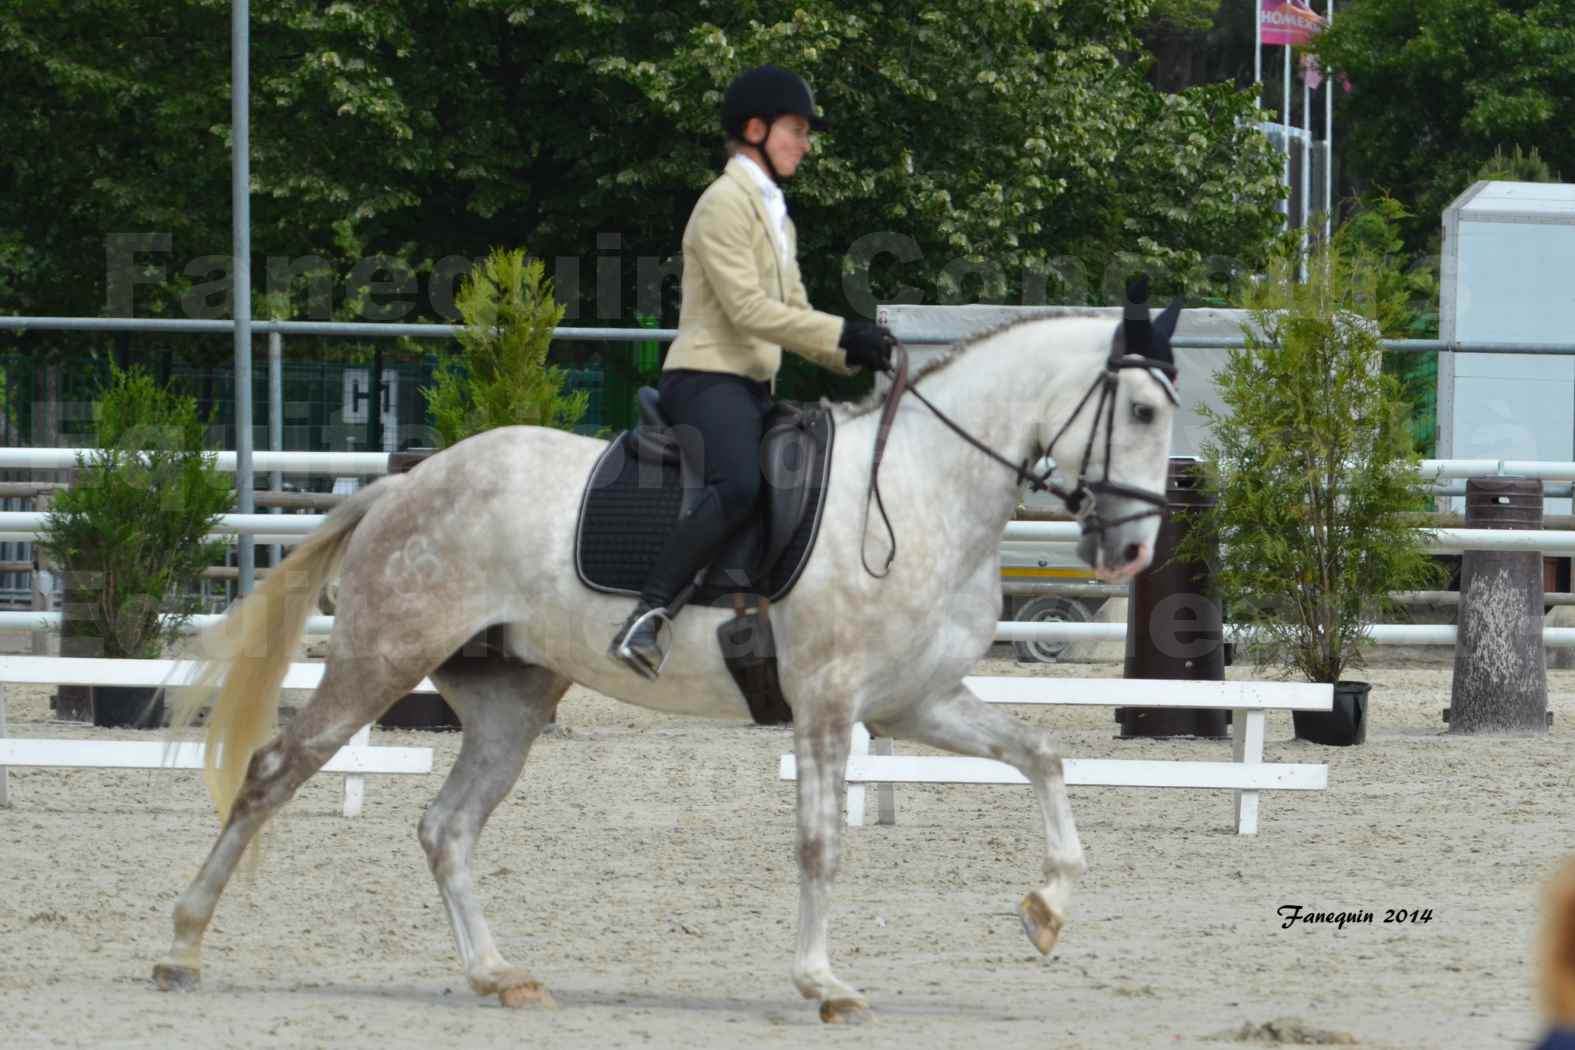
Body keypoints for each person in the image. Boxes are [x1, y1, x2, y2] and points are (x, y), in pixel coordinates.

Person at [609, 64, 894, 679]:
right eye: (796, 130)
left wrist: (863, 353)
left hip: (753, 386)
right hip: (706, 378)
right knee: (738, 484)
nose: (805, 143)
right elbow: (746, 310)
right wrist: (844, 333)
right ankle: (649, 613)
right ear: (756, 129)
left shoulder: (776, 214)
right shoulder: (722, 204)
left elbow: (792, 313)